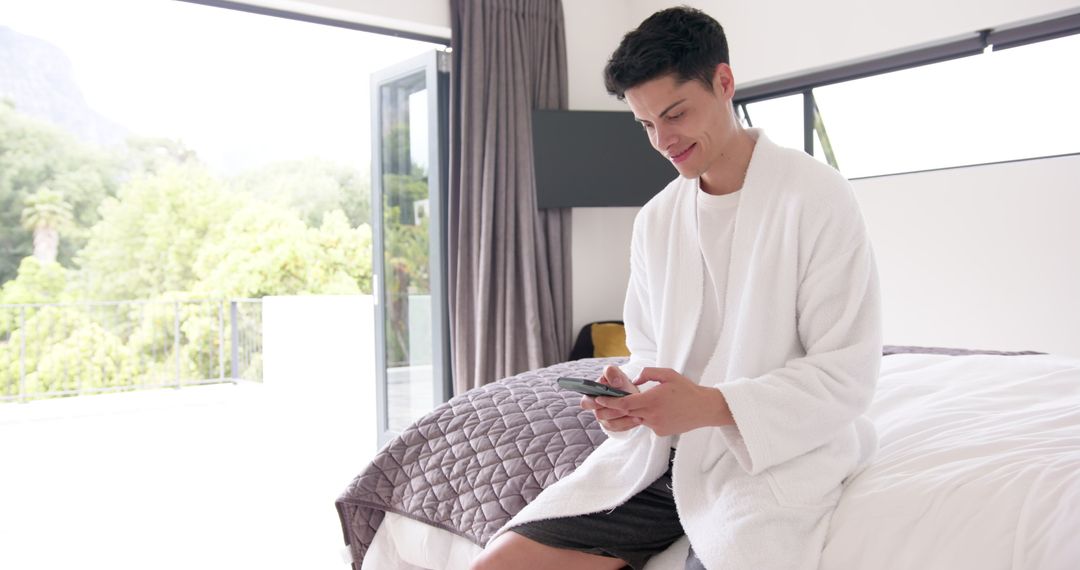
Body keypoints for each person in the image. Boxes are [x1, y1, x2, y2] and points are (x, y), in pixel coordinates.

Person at [471, 6, 882, 570]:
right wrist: (630, 399)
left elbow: (846, 374)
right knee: (494, 565)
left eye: (675, 114)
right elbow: (649, 351)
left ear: (724, 82)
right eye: (645, 125)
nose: (662, 140)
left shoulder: (815, 197)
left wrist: (711, 406)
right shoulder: (657, 218)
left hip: (768, 459)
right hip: (662, 457)